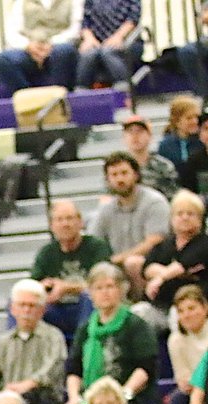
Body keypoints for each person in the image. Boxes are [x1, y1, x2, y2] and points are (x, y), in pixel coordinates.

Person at [56, 262, 158, 404]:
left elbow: (146, 367)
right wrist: (74, 398)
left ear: (121, 290)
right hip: (92, 400)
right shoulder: (85, 329)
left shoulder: (135, 325)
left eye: (110, 286)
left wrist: (122, 395)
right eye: (98, 288)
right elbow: (74, 368)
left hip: (129, 397)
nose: (105, 292)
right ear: (91, 294)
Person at [32, 200, 112, 342]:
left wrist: (66, 288)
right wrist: (44, 287)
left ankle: (83, 348)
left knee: (89, 297)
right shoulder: (46, 253)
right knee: (21, 302)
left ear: (80, 222)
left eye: (70, 218)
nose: (65, 224)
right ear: (52, 226)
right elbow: (34, 285)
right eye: (59, 220)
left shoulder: (97, 247)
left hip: (88, 308)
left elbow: (103, 284)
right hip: (58, 310)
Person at [89, 153, 169, 295]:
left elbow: (155, 241)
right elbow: (93, 242)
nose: (120, 179)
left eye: (124, 173)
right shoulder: (106, 209)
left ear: (136, 175)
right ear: (107, 180)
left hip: (151, 264)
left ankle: (140, 303)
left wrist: (119, 259)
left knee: (133, 263)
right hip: (116, 267)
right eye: (114, 175)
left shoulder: (155, 202)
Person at [138, 190, 208, 319]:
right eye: (179, 213)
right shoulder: (165, 244)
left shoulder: (204, 243)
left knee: (176, 316)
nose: (184, 217)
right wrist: (169, 273)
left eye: (190, 214)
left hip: (192, 307)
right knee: (137, 313)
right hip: (160, 304)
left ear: (200, 219)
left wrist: (160, 279)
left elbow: (183, 264)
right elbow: (146, 267)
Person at [0, 0, 80, 92]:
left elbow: (75, 29)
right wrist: (27, 45)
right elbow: (12, 32)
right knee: (3, 59)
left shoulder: (74, 2)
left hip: (58, 46)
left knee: (64, 51)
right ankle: (29, 101)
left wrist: (51, 44)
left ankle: (57, 100)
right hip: (29, 49)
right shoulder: (21, 2)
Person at [169, 286, 208, 404]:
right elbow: (183, 379)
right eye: (181, 311)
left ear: (205, 308)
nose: (187, 315)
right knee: (177, 400)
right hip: (195, 390)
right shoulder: (175, 340)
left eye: (191, 308)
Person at [75, 0, 142, 89]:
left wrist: (118, 36)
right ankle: (81, 92)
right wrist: (89, 38)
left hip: (127, 39)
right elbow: (85, 22)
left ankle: (123, 89)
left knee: (107, 52)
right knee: (88, 54)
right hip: (97, 41)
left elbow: (133, 19)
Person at [119, 113, 179, 200]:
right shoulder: (117, 169)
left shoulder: (164, 167)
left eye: (140, 131)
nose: (135, 136)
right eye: (130, 131)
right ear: (124, 138)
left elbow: (173, 198)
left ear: (150, 136)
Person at [157, 96, 204, 172]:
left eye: (197, 117)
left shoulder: (203, 141)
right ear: (177, 121)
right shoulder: (165, 146)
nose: (195, 121)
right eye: (189, 118)